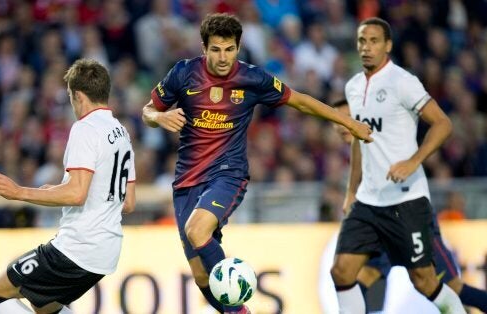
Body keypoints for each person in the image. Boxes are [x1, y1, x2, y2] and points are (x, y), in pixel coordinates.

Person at [142, 13, 373, 314]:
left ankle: (239, 307)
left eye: (229, 49)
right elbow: (147, 111)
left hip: (228, 174)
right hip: (186, 181)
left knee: (197, 231)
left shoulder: (252, 78)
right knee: (201, 275)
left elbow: (301, 100)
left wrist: (349, 122)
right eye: (215, 49)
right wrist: (160, 117)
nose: (223, 57)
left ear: (238, 48)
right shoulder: (183, 74)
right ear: (204, 48)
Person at [330, 17, 466, 313]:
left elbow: (443, 124)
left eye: (374, 41)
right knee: (341, 271)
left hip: (406, 200)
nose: (366, 48)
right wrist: (351, 191)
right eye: (362, 41)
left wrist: (413, 161)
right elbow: (358, 142)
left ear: (388, 45)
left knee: (424, 281)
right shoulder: (353, 87)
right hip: (368, 201)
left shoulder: (402, 82)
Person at [0, 59, 136, 314]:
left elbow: (77, 194)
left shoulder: (85, 129)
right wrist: (55, 190)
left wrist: (19, 192)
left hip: (78, 248)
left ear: (77, 95)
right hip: (107, 252)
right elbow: (128, 202)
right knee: (44, 305)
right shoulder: (121, 131)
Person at [332, 100, 487, 313]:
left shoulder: (381, 139)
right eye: (335, 120)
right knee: (363, 275)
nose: (339, 125)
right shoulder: (358, 146)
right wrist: (352, 194)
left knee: (450, 287)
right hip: (381, 224)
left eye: (344, 118)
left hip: (413, 221)